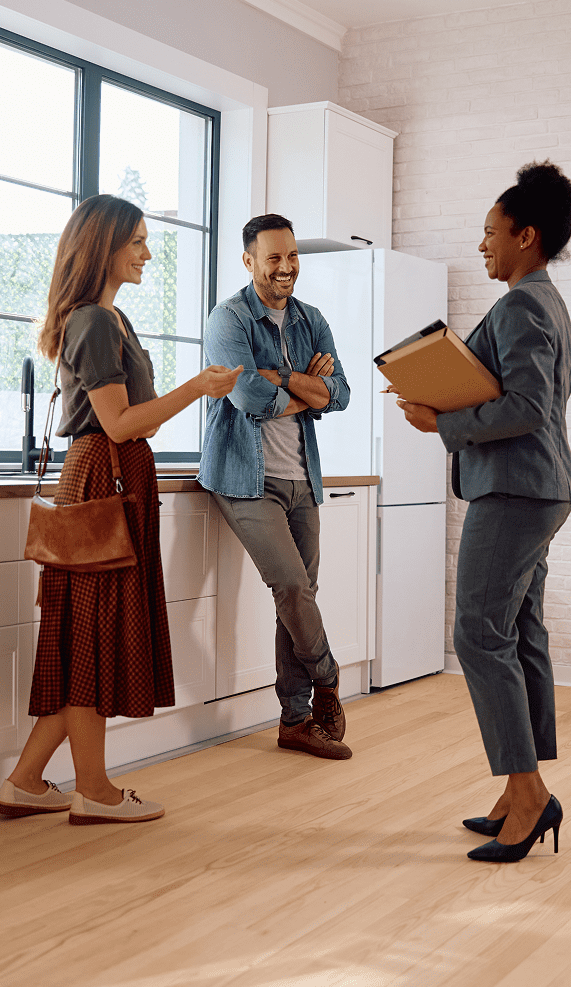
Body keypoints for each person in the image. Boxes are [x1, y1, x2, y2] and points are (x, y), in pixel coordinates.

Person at [0, 194, 241, 825]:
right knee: (90, 639)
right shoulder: (98, 323)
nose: (147, 253)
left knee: (82, 636)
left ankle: (25, 782)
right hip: (105, 478)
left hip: (105, 478)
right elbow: (120, 422)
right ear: (104, 246)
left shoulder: (105, 318)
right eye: (137, 242)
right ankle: (96, 791)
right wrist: (201, 387)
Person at [390, 161, 571, 861]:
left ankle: (528, 795)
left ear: (526, 236)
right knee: (519, 629)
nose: (482, 247)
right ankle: (519, 791)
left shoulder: (523, 305)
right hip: (538, 487)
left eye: (490, 233)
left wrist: (439, 421)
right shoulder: (545, 300)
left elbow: (526, 408)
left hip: (518, 489)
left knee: (477, 635)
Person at [198, 213, 352, 760]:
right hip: (244, 478)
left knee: (298, 597)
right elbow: (247, 400)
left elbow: (341, 394)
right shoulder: (229, 319)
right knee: (290, 586)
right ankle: (330, 678)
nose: (285, 268)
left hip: (302, 475)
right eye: (273, 258)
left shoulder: (311, 318)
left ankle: (295, 721)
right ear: (249, 261)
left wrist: (283, 377)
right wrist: (304, 388)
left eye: (291, 257)